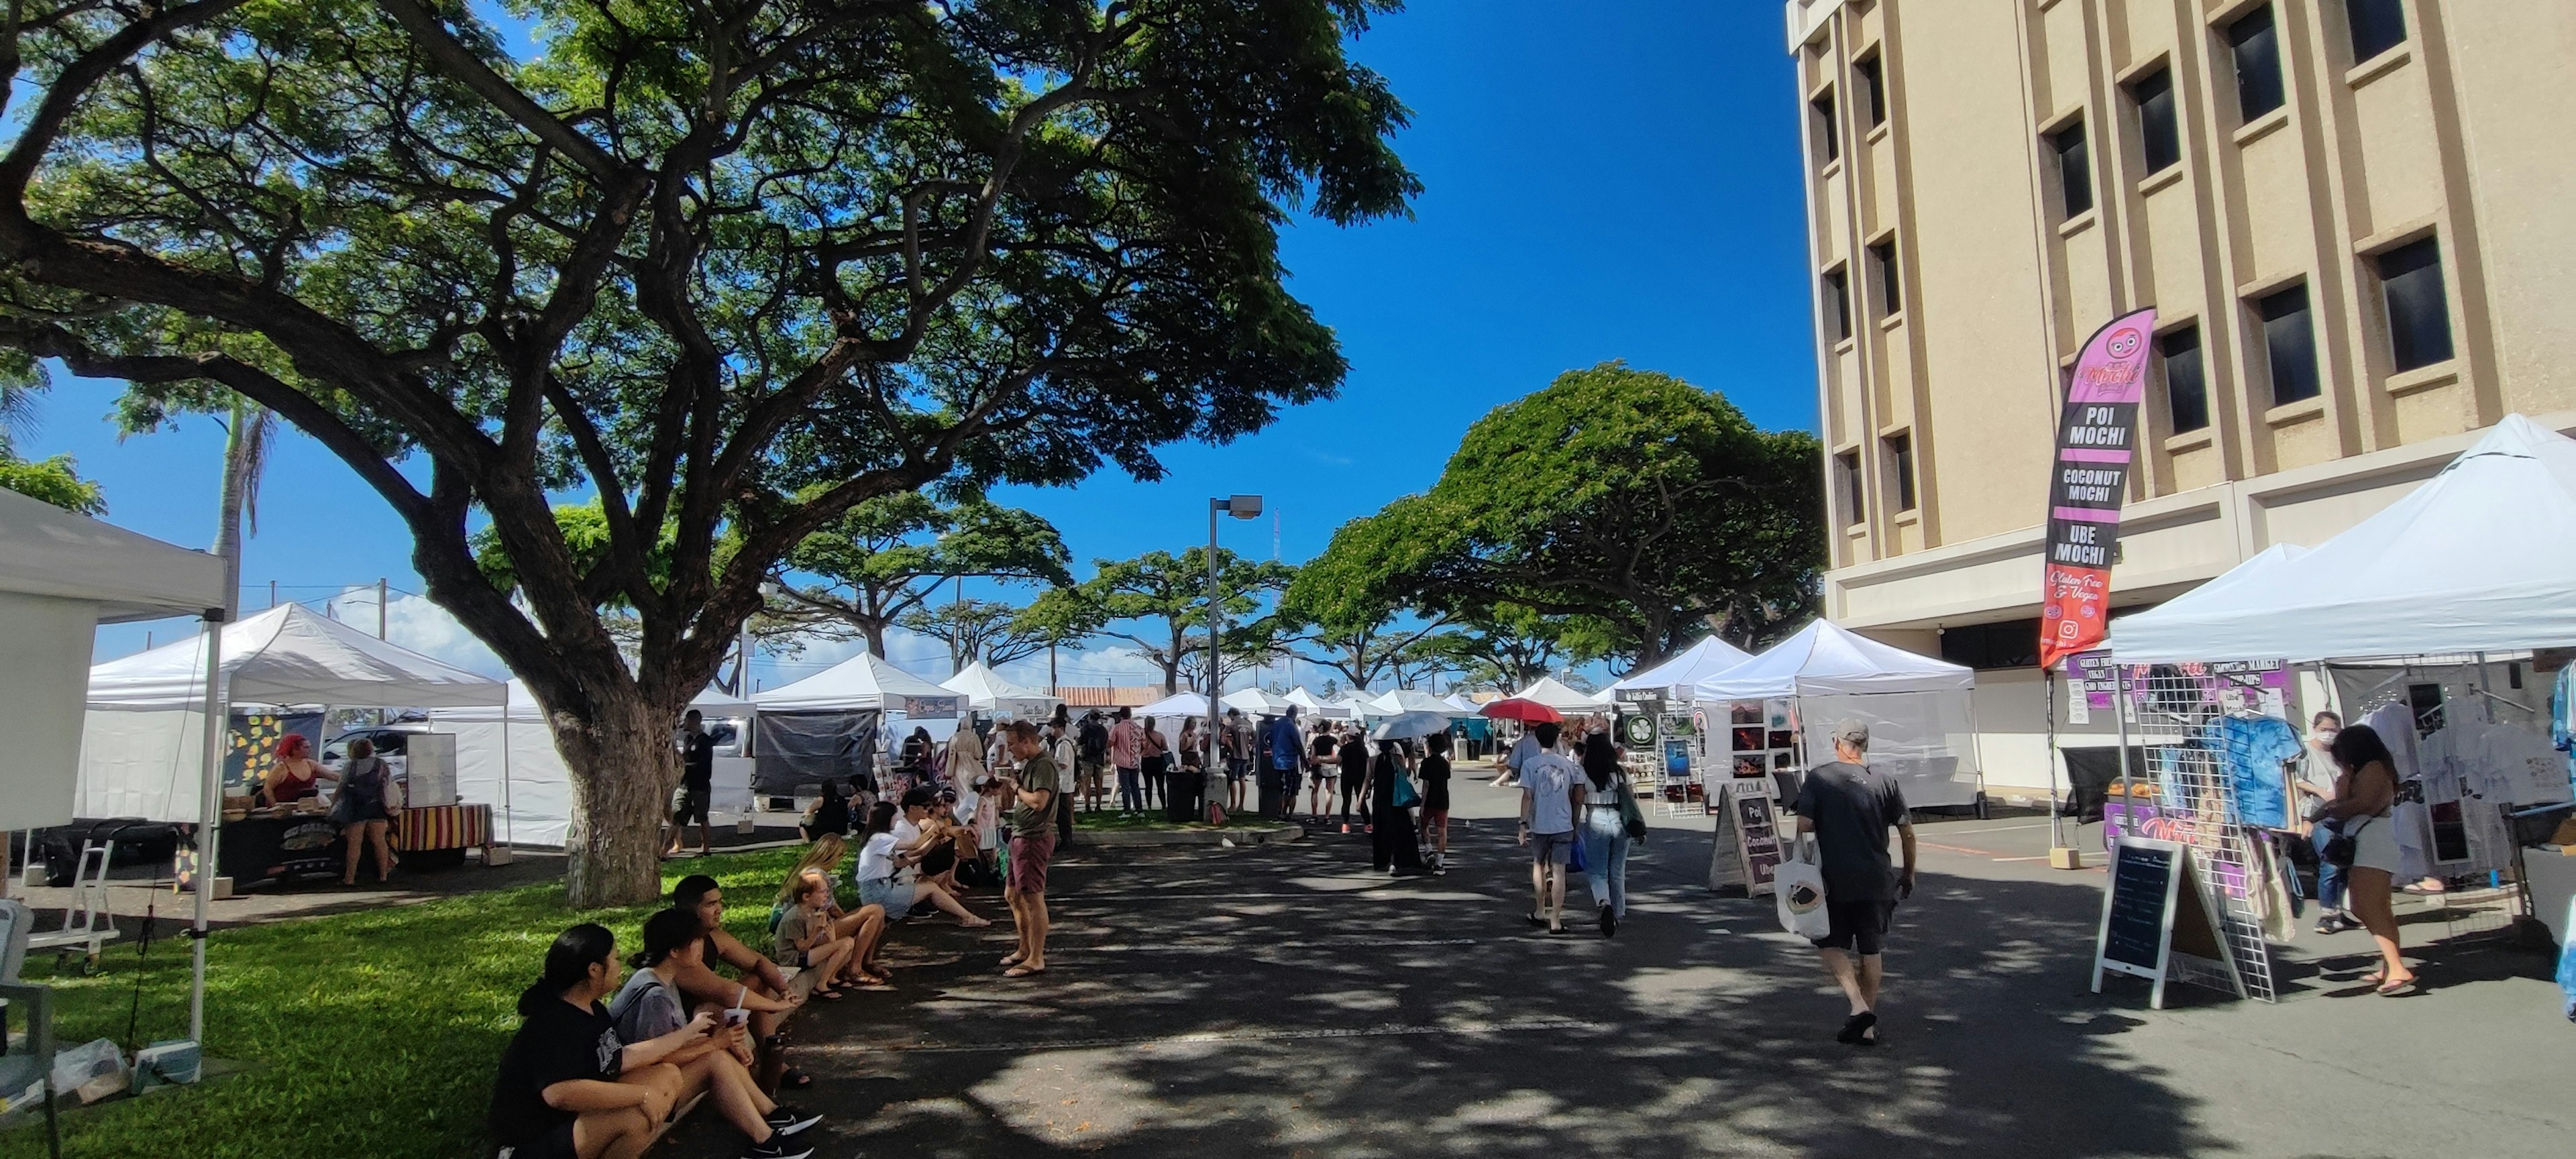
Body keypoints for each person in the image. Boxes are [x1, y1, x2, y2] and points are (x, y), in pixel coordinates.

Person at [492, 923, 816, 1159]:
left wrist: (688, 1037)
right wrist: (641, 1094)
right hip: (535, 1142)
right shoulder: (552, 1023)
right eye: (615, 959)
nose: (621, 965)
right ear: (594, 970)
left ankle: (766, 1138)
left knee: (668, 1077)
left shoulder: (590, 1009)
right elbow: (560, 1094)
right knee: (638, 1113)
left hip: (577, 1121)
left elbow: (621, 1058)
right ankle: (767, 1136)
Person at [606, 911, 826, 1156]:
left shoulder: (663, 980)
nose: (701, 946)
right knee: (715, 1059)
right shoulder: (654, 995)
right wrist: (716, 1043)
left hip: (653, 1077)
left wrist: (724, 1042)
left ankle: (771, 1120)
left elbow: (672, 1044)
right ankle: (766, 1138)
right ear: (674, 952)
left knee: (718, 1054)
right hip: (641, 1088)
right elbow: (655, 1059)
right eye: (695, 941)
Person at [1790, 720, 1917, 1048]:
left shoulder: (1820, 778)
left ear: (1837, 742)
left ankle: (1858, 1006)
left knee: (1828, 943)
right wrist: (1909, 873)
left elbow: (1805, 826)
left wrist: (1802, 865)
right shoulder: (1885, 781)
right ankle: (1866, 1026)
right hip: (1878, 877)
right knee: (1871, 949)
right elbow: (1907, 832)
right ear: (1865, 744)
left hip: (1833, 878)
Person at [663, 875, 810, 1090]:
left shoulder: (714, 936)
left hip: (707, 1013)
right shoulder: (678, 949)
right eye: (711, 904)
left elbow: (758, 962)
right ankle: (744, 1079)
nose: (719, 909)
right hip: (681, 1027)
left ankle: (771, 1060)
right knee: (723, 1007)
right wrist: (777, 1005)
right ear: (690, 909)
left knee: (757, 981)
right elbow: (728, 992)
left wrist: (785, 990)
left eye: (720, 902)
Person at [2320, 724, 2416, 995]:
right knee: (2376, 907)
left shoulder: (2373, 768)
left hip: (2374, 840)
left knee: (2366, 906)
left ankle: (2397, 968)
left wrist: (2335, 809)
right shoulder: (2365, 770)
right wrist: (2346, 779)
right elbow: (2344, 801)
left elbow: (2362, 804)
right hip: (2369, 840)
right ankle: (2390, 966)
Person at [767, 836, 890, 985]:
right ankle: (855, 968)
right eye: (840, 856)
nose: (839, 861)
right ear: (830, 855)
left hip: (808, 927)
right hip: (810, 931)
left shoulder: (806, 870)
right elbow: (832, 909)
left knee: (877, 916)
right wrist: (855, 922)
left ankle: (866, 962)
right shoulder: (818, 876)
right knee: (875, 911)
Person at [855, 802, 991, 927]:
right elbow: (914, 845)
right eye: (894, 816)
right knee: (931, 888)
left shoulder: (878, 838)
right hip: (879, 892)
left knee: (930, 886)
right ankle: (968, 918)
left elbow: (916, 854)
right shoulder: (880, 838)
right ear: (886, 818)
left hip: (879, 889)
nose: (897, 819)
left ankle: (967, 917)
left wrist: (936, 838)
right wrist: (933, 829)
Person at [998, 721, 1059, 977]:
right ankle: (1025, 949)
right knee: (1013, 894)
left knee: (1033, 898)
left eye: (1012, 743)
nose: (1010, 749)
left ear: (1027, 741)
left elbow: (1039, 801)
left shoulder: (1043, 764)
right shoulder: (1030, 765)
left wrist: (1016, 787)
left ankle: (1036, 957)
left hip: (1033, 838)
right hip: (1021, 835)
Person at [1516, 722, 1582, 934]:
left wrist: (1523, 824)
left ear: (1537, 740)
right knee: (1560, 871)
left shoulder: (1530, 764)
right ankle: (1556, 920)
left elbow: (1527, 796)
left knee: (1538, 865)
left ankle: (1539, 910)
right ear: (1557, 740)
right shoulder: (1569, 765)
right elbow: (1577, 796)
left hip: (1539, 824)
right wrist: (1575, 822)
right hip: (1563, 823)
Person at [2298, 710, 2358, 935]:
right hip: (2318, 815)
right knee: (2330, 862)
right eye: (2324, 730)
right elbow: (2295, 780)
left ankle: (2337, 911)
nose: (2329, 734)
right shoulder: (2305, 752)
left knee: (2344, 863)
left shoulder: (2340, 753)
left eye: (2333, 730)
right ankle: (2326, 914)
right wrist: (2319, 791)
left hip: (2343, 813)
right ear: (2315, 728)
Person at [1578, 733, 1634, 938]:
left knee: (1597, 870)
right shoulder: (1620, 773)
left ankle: (1604, 903)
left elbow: (1578, 800)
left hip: (1597, 817)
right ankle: (1619, 912)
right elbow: (1631, 800)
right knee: (1617, 869)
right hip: (1620, 819)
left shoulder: (1583, 772)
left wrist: (1574, 825)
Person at [771, 872, 861, 1001]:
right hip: (793, 958)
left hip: (805, 954)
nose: (827, 895)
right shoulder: (795, 917)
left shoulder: (813, 912)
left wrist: (830, 938)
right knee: (846, 943)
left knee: (849, 943)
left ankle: (831, 977)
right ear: (807, 897)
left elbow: (813, 944)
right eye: (823, 892)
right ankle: (821, 985)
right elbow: (802, 948)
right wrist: (817, 931)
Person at [332, 736, 400, 886]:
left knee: (354, 844)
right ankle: (383, 875)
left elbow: (341, 787)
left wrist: (333, 805)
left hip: (356, 808)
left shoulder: (350, 766)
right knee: (380, 842)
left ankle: (349, 878)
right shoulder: (380, 764)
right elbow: (388, 784)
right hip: (376, 807)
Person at [661, 710, 718, 859]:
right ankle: (664, 851)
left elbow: (702, 764)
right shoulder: (687, 740)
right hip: (684, 785)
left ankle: (706, 848)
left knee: (702, 818)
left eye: (686, 720)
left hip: (700, 786)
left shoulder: (705, 741)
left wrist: (684, 766)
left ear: (693, 721)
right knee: (676, 817)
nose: (684, 724)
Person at [1367, 738, 1427, 877]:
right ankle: (1400, 860)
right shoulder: (1397, 758)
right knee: (1399, 830)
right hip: (1396, 798)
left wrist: (1361, 799)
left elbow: (1367, 780)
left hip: (1380, 799)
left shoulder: (1372, 760)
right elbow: (1404, 774)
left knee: (1382, 830)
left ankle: (1383, 860)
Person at [258, 732, 335, 808]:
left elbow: (331, 775)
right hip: (285, 810)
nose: (310, 750)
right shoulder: (281, 768)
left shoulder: (311, 764)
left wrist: (345, 776)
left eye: (309, 747)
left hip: (306, 808)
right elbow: (268, 788)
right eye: (306, 748)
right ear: (294, 750)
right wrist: (274, 806)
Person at [1419, 730, 1454, 873]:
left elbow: (1426, 785)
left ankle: (1428, 851)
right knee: (1442, 831)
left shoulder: (1426, 763)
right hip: (1443, 799)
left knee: (1423, 825)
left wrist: (1422, 803)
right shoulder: (1445, 764)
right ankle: (1439, 863)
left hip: (1430, 799)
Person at [1267, 707, 1305, 821]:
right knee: (1291, 791)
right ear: (1295, 714)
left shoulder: (1276, 724)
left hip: (1277, 761)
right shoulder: (1290, 725)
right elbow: (1298, 744)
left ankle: (1280, 811)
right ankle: (1287, 813)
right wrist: (1305, 760)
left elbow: (1268, 738)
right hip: (1289, 762)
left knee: (1281, 788)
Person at [1046, 715, 1079, 847]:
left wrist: (1051, 761)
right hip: (1063, 784)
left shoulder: (1063, 744)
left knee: (1063, 815)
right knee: (1062, 815)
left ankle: (1066, 840)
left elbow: (1064, 764)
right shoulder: (1062, 743)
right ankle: (1066, 839)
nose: (1052, 731)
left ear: (1061, 728)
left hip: (1063, 784)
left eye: (1054, 728)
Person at [1108, 708, 1143, 814]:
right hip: (1135, 761)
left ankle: (1127, 810)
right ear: (1130, 714)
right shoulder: (1138, 728)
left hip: (1122, 761)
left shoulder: (1117, 728)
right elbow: (1144, 744)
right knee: (1135, 787)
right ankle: (1139, 810)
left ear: (1121, 715)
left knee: (1125, 788)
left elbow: (1110, 743)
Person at [1077, 710, 1112, 814]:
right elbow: (1106, 744)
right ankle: (1098, 806)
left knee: (1087, 784)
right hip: (1099, 759)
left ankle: (1088, 806)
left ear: (1089, 717)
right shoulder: (1103, 730)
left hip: (1087, 758)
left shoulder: (1085, 729)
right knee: (1099, 784)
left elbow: (1079, 741)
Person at [1338, 724, 1372, 830]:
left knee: (1346, 800)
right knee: (1361, 800)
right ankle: (1368, 824)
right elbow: (1368, 763)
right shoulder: (1363, 749)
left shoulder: (1345, 748)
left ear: (1348, 736)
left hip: (1346, 776)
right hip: (1361, 777)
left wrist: (1322, 760)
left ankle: (1345, 824)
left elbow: (1338, 760)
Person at [797, 778, 851, 843]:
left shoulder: (821, 800)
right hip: (841, 830)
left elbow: (809, 811)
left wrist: (804, 816)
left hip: (823, 831)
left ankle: (808, 842)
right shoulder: (842, 799)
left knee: (802, 825)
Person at [1222, 709, 1254, 812]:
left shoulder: (1232, 725)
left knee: (1232, 780)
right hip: (1245, 755)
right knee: (1242, 779)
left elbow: (1223, 738)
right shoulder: (1248, 724)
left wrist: (1230, 746)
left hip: (1235, 756)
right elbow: (1255, 737)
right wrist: (1249, 745)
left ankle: (1233, 805)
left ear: (1231, 714)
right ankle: (1241, 805)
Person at [1307, 726, 1339, 823]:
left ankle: (1314, 815)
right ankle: (1327, 817)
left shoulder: (1316, 740)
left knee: (1315, 790)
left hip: (1318, 764)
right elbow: (1342, 746)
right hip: (1330, 764)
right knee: (1329, 791)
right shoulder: (1333, 739)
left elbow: (1313, 755)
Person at [1494, 722, 1538, 788]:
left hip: (1525, 767)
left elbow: (1516, 759)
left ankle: (1499, 782)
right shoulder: (1541, 741)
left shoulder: (1523, 741)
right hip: (1538, 767)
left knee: (1511, 772)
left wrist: (1513, 764)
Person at [1139, 717, 1169, 812]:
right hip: (1158, 761)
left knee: (1148, 785)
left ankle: (1149, 806)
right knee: (1160, 785)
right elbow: (1165, 748)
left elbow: (1139, 749)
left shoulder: (1142, 736)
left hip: (1146, 761)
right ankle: (1164, 805)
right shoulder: (1159, 735)